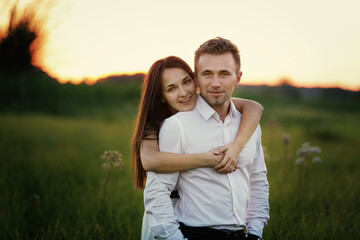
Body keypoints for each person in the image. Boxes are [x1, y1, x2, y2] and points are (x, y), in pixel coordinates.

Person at [143, 37, 269, 240]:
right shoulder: (177, 125)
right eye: (207, 74)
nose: (215, 83)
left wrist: (255, 232)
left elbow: (257, 180)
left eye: (224, 74)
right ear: (197, 79)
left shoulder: (249, 123)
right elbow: (157, 191)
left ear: (237, 78)